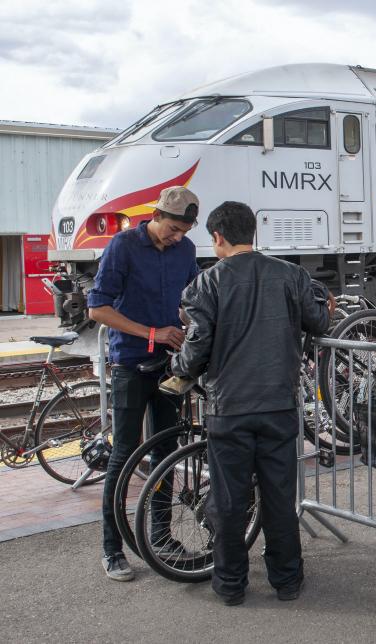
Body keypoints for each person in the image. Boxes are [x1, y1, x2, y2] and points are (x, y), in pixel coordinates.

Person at [172, 201, 332, 606]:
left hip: (229, 409)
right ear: (253, 232)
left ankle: (230, 585)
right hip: (278, 405)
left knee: (229, 501)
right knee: (279, 497)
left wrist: (177, 366)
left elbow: (196, 346)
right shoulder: (291, 275)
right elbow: (319, 323)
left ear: (218, 237)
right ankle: (287, 581)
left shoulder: (206, 284)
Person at [87, 186, 201, 581]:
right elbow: (98, 308)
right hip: (131, 365)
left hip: (169, 366)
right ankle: (112, 548)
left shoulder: (185, 251)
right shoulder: (122, 246)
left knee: (166, 450)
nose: (177, 237)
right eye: (172, 229)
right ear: (155, 216)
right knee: (123, 453)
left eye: (184, 231)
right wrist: (152, 333)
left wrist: (190, 328)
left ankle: (162, 538)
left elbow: (191, 302)